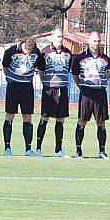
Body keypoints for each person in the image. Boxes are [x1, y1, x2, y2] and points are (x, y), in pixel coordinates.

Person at [1, 37, 45, 156]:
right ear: (24, 45)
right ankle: (7, 148)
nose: (29, 53)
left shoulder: (36, 52)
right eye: (27, 50)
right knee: (10, 115)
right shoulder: (11, 51)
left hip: (27, 87)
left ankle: (28, 149)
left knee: (27, 116)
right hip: (13, 86)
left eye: (31, 51)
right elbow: (5, 66)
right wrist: (11, 77)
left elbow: (40, 66)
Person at [71, 31, 110, 159]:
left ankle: (102, 151)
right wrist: (82, 87)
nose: (97, 43)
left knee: (101, 122)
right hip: (86, 93)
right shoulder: (80, 58)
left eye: (99, 41)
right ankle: (78, 151)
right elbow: (75, 75)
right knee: (82, 121)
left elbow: (108, 74)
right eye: (94, 40)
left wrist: (100, 83)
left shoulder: (106, 59)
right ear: (89, 41)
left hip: (100, 92)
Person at [37, 27, 72, 157]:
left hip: (62, 89)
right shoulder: (45, 52)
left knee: (60, 119)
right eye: (58, 36)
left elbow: (68, 69)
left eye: (62, 36)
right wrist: (45, 83)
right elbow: (40, 70)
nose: (60, 39)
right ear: (52, 37)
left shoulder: (67, 53)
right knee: (44, 117)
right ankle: (38, 148)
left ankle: (58, 149)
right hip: (49, 89)